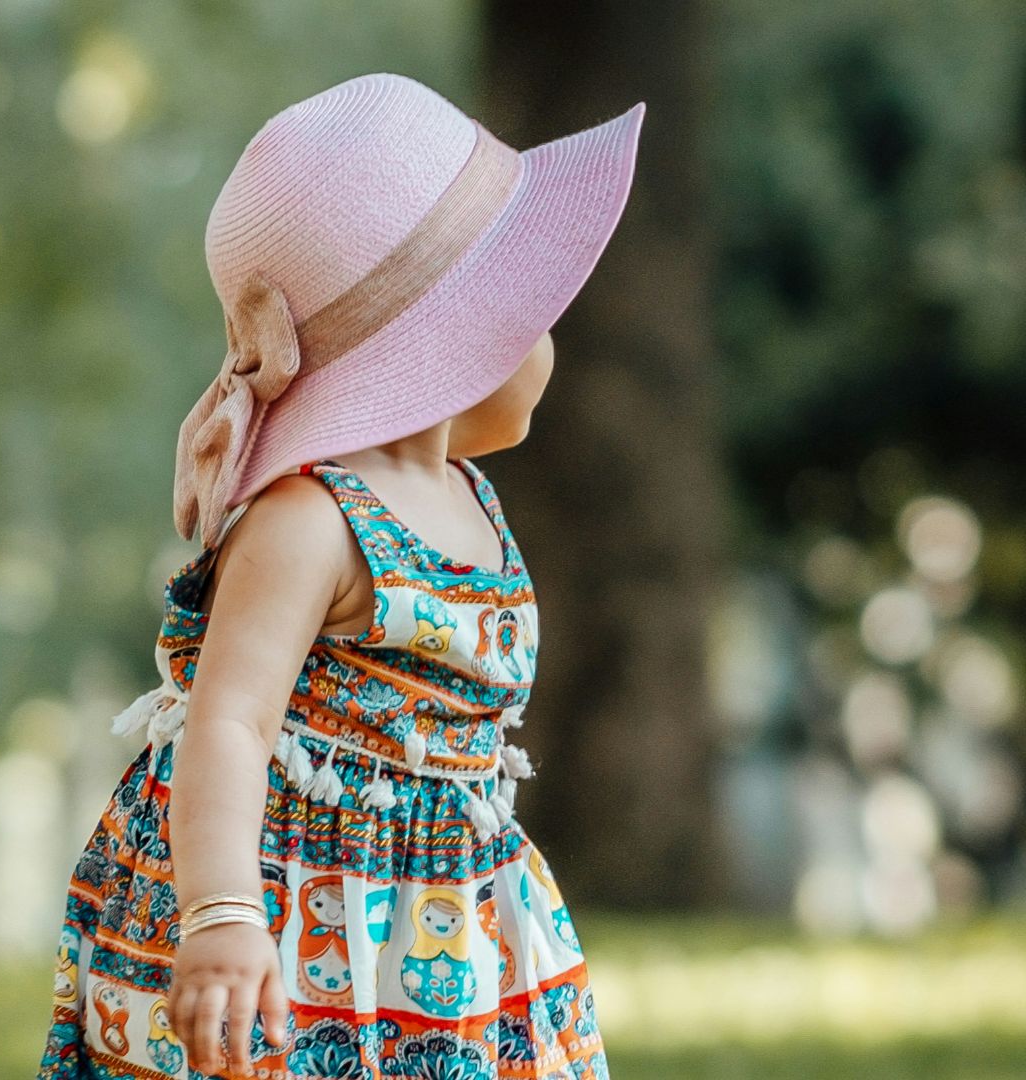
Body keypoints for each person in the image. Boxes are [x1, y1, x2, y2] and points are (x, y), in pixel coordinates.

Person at [37, 70, 643, 1079]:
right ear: (460, 333)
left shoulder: (464, 497)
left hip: (439, 908)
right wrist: (221, 914)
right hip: (292, 910)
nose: (549, 339)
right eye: (530, 307)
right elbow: (224, 720)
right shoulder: (310, 519)